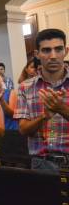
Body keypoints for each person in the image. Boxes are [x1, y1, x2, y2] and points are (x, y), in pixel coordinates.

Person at [14, 28, 69, 172]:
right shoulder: (26, 87)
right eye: (46, 50)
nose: (53, 56)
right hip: (41, 163)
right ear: (37, 54)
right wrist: (44, 116)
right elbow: (23, 129)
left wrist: (62, 109)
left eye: (58, 49)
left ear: (66, 51)